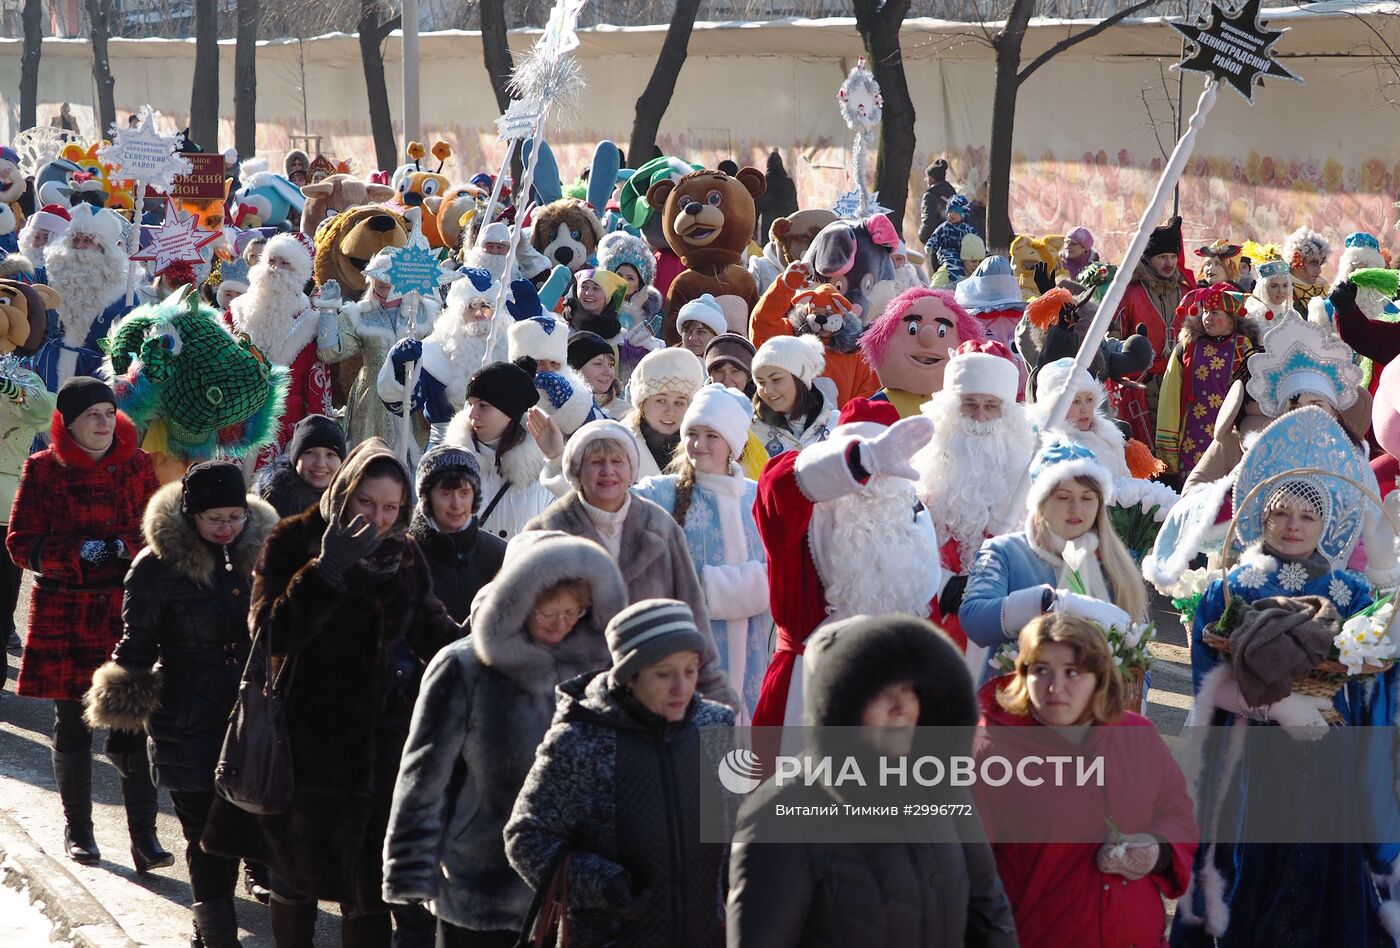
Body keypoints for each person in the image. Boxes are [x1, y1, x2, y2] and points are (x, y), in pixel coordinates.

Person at [201, 439, 462, 948]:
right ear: (344, 492)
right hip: (302, 742)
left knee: (366, 891)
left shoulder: (403, 552)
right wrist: (326, 571)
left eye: (391, 508)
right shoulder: (292, 539)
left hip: (377, 747)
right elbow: (269, 631)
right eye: (367, 502)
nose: (379, 518)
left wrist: (485, 634)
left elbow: (431, 625)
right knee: (293, 880)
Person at [1173, 413, 1400, 945]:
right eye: (1280, 513)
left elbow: (1376, 677)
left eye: (1307, 515)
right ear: (1261, 516)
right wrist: (1275, 705)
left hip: (1330, 760)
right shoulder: (1227, 591)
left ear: (1328, 524)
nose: (1293, 525)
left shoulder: (1354, 594)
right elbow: (1207, 679)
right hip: (1251, 763)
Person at [382, 531, 628, 947]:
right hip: (479, 878)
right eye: (549, 612)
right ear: (519, 600)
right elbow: (424, 774)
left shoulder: (596, 669)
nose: (562, 624)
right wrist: (409, 869)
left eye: (574, 612)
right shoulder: (463, 665)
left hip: (568, 882)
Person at [728, 614, 1018, 947]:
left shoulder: (941, 784)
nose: (901, 707)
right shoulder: (779, 815)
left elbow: (989, 909)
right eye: (877, 692)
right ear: (836, 702)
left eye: (908, 688)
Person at [83, 461, 279, 948]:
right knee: (206, 832)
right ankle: (214, 934)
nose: (228, 527)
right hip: (186, 716)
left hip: (254, 711)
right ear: (192, 514)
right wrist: (124, 726)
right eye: (215, 518)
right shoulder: (155, 566)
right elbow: (136, 647)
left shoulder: (261, 552)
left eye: (236, 516)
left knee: (261, 821)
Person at [505, 599, 734, 948]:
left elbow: (741, 827)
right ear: (630, 676)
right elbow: (526, 837)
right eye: (663, 673)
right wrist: (601, 883)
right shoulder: (581, 740)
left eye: (690, 671)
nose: (682, 688)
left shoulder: (717, 726)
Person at [8, 378, 163, 867]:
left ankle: (145, 839)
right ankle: (80, 833)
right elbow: (19, 542)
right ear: (68, 422)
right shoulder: (41, 470)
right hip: (65, 612)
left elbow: (160, 531)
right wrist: (75, 553)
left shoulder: (138, 465)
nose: (103, 422)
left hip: (125, 612)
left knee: (133, 725)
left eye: (108, 412)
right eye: (92, 414)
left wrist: (126, 548)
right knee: (72, 726)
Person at [973, 613, 1196, 948]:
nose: (1055, 686)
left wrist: (1156, 851)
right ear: (1022, 675)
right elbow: (963, 873)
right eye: (1040, 670)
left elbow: (1179, 817)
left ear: (1099, 677)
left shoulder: (1137, 736)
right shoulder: (990, 750)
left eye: (1072, 672)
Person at [524, 419, 740, 711]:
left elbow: (691, 609)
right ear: (576, 470)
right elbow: (520, 618)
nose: (608, 471)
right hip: (572, 696)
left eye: (617, 461)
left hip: (651, 692)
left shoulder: (660, 527)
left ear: (631, 470)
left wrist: (710, 687)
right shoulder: (547, 531)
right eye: (596, 461)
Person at [751, 399, 941, 728]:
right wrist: (861, 460)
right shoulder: (806, 515)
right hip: (810, 689)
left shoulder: (913, 524)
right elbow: (775, 484)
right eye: (865, 472)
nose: (872, 483)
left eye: (884, 470)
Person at [959, 440, 1148, 684]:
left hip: (1096, 713)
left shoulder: (1114, 564)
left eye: (1087, 498)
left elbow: (1139, 655)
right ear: (1041, 502)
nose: (1076, 508)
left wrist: (1133, 699)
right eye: (1063, 497)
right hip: (1013, 707)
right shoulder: (1003, 550)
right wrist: (1051, 602)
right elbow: (975, 621)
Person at [633, 385, 771, 720]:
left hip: (757, 655)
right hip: (687, 653)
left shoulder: (758, 498)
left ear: (732, 446)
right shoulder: (660, 494)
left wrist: (731, 588)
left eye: (712, 435)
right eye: (693, 433)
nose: (700, 444)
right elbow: (607, 510)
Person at [914, 343, 1037, 646]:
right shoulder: (920, 473)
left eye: (991, 406)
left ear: (1006, 414)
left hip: (1004, 629)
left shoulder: (1029, 480)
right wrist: (945, 586)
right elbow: (903, 555)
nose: (980, 417)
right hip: (935, 626)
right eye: (969, 404)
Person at [228, 233, 334, 464]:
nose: (275, 269)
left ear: (300, 275)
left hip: (284, 425)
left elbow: (317, 390)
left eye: (285, 263)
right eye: (271, 260)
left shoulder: (310, 322)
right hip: (233, 419)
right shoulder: (235, 311)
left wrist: (315, 439)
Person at [318, 250, 439, 452]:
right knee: (373, 457)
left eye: (391, 275)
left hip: (415, 393)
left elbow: (439, 353)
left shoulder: (425, 311)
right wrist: (328, 310)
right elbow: (329, 353)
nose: (385, 281)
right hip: (372, 399)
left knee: (414, 459)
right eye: (379, 275)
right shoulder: (357, 314)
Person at [379, 268, 509, 449]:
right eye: (470, 306)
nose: (479, 314)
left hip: (498, 454)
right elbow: (405, 405)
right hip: (446, 454)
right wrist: (400, 368)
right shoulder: (432, 351)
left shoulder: (508, 348)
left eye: (486, 306)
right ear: (456, 312)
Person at [1156, 285, 1262, 483]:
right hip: (1190, 438)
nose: (1207, 318)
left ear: (1232, 317)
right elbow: (1169, 398)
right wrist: (1166, 450)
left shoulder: (1245, 348)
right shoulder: (1188, 347)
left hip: (1230, 438)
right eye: (1205, 312)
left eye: (1215, 312)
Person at [440, 360, 554, 540]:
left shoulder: (545, 472)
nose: (472, 414)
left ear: (510, 412)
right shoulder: (448, 463)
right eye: (470, 404)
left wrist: (558, 458)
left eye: (483, 406)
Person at [1112, 215, 1194, 447]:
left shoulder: (1187, 290)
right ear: (1148, 259)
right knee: (1144, 446)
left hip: (1180, 379)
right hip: (1142, 385)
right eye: (1161, 257)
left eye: (1172, 256)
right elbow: (1114, 340)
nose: (1168, 263)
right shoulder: (1130, 292)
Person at [32, 204, 134, 388]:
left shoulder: (123, 293)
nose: (79, 247)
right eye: (75, 240)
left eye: (87, 241)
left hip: (95, 375)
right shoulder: (53, 275)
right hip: (49, 369)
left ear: (104, 249)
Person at [0, 360, 55, 689]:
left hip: (5, 502)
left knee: (4, 594)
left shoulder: (17, 374)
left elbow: (44, 410)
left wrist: (9, 387)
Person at [406, 444, 506, 623]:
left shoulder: (499, 554)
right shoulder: (403, 553)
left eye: (464, 492)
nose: (456, 504)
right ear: (426, 498)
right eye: (446, 494)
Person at [621, 346, 705, 478]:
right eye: (661, 400)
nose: (670, 411)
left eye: (679, 402)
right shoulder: (619, 445)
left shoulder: (700, 447)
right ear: (642, 404)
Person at [750, 334, 838, 459]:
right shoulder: (749, 430)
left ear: (800, 379)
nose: (768, 390)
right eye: (761, 382)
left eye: (776, 379)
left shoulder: (836, 424)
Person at [253, 414, 346, 518]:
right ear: (295, 458)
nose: (320, 464)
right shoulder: (266, 509)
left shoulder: (354, 504)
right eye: (310, 453)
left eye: (331, 454)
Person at [569, 330, 630, 419]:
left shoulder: (625, 413)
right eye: (598, 364)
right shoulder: (559, 411)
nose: (607, 372)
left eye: (611, 365)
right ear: (576, 369)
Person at [752, 148, 799, 241]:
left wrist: (754, 228)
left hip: (769, 221)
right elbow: (794, 204)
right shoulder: (789, 182)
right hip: (786, 221)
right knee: (785, 247)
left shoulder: (765, 183)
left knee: (769, 248)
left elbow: (757, 206)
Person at [1283, 225, 1331, 314]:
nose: (1319, 271)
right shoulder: (1281, 289)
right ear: (1296, 260)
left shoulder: (1324, 287)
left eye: (1320, 264)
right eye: (1313, 264)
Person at [917, 158, 957, 248]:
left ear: (931, 178)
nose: (925, 180)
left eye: (927, 177)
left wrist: (922, 237)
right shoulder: (952, 194)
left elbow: (929, 221)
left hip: (938, 242)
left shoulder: (929, 196)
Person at [676, 293, 727, 360]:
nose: (691, 338)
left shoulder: (725, 366)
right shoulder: (669, 361)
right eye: (687, 331)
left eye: (700, 332)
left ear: (715, 336)